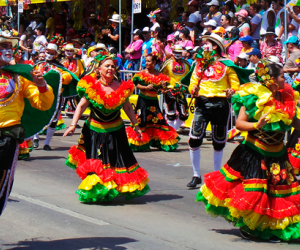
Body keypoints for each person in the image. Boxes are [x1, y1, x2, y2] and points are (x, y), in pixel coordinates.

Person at [196, 62, 300, 243]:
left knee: (277, 193)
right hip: (255, 152)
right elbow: (240, 124)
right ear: (272, 80)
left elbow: (293, 122)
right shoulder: (253, 96)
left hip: (278, 153)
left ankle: (271, 227)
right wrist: (256, 125)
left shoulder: (286, 97)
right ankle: (249, 227)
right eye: (282, 75)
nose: (285, 78)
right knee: (257, 192)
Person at [63, 53, 150, 203]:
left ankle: (113, 187)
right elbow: (81, 106)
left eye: (112, 66)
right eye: (107, 66)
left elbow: (128, 108)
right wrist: (72, 125)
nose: (110, 68)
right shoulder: (91, 86)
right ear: (98, 69)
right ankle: (99, 190)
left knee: (117, 159)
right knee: (98, 161)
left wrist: (136, 126)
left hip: (116, 130)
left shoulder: (121, 87)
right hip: (95, 131)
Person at [0, 32, 54, 215]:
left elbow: (42, 104)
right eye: (3, 46)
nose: (7, 50)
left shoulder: (21, 76)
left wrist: (41, 85)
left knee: (1, 183)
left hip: (7, 137)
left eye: (9, 46)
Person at [185, 34, 244, 188]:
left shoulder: (227, 65)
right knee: (194, 139)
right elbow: (192, 85)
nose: (204, 45)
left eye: (207, 43)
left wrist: (232, 90)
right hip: (203, 103)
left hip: (221, 104)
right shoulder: (199, 64)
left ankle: (216, 176)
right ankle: (196, 175)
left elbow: (236, 85)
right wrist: (194, 89)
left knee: (218, 142)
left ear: (215, 46)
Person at [126, 53, 180, 152]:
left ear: (154, 62)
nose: (146, 63)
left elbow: (162, 90)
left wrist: (163, 88)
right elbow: (136, 85)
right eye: (146, 61)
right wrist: (145, 87)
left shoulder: (160, 75)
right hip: (143, 101)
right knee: (141, 121)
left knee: (159, 120)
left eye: (149, 61)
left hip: (154, 102)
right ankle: (140, 143)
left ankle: (159, 142)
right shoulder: (142, 73)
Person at [33, 41, 78, 150]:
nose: (49, 54)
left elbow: (68, 77)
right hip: (39, 94)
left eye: (52, 53)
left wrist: (59, 77)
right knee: (37, 115)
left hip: (55, 96)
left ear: (56, 55)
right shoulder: (39, 65)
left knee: (53, 119)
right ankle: (35, 138)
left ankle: (47, 143)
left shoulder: (60, 67)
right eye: (48, 52)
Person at [160, 45, 191, 130]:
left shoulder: (186, 64)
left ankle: (173, 129)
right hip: (170, 90)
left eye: (179, 53)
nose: (178, 54)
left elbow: (191, 76)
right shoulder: (167, 63)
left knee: (184, 114)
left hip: (181, 91)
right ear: (173, 52)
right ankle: (171, 132)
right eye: (176, 52)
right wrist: (162, 85)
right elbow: (160, 74)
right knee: (171, 113)